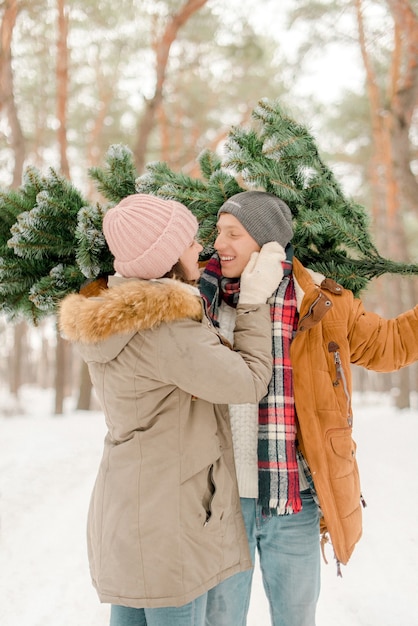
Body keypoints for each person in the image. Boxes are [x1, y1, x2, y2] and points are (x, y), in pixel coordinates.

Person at [58, 193, 284, 626]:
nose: (201, 248)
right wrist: (254, 303)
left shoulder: (113, 316)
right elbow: (248, 381)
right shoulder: (164, 328)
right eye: (187, 241)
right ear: (163, 257)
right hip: (168, 526)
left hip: (124, 513)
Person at [199, 190, 418, 626]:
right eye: (218, 232)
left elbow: (390, 345)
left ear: (267, 244)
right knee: (218, 620)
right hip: (221, 500)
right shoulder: (201, 299)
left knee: (296, 618)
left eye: (233, 234)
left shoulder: (319, 302)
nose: (218, 243)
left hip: (293, 499)